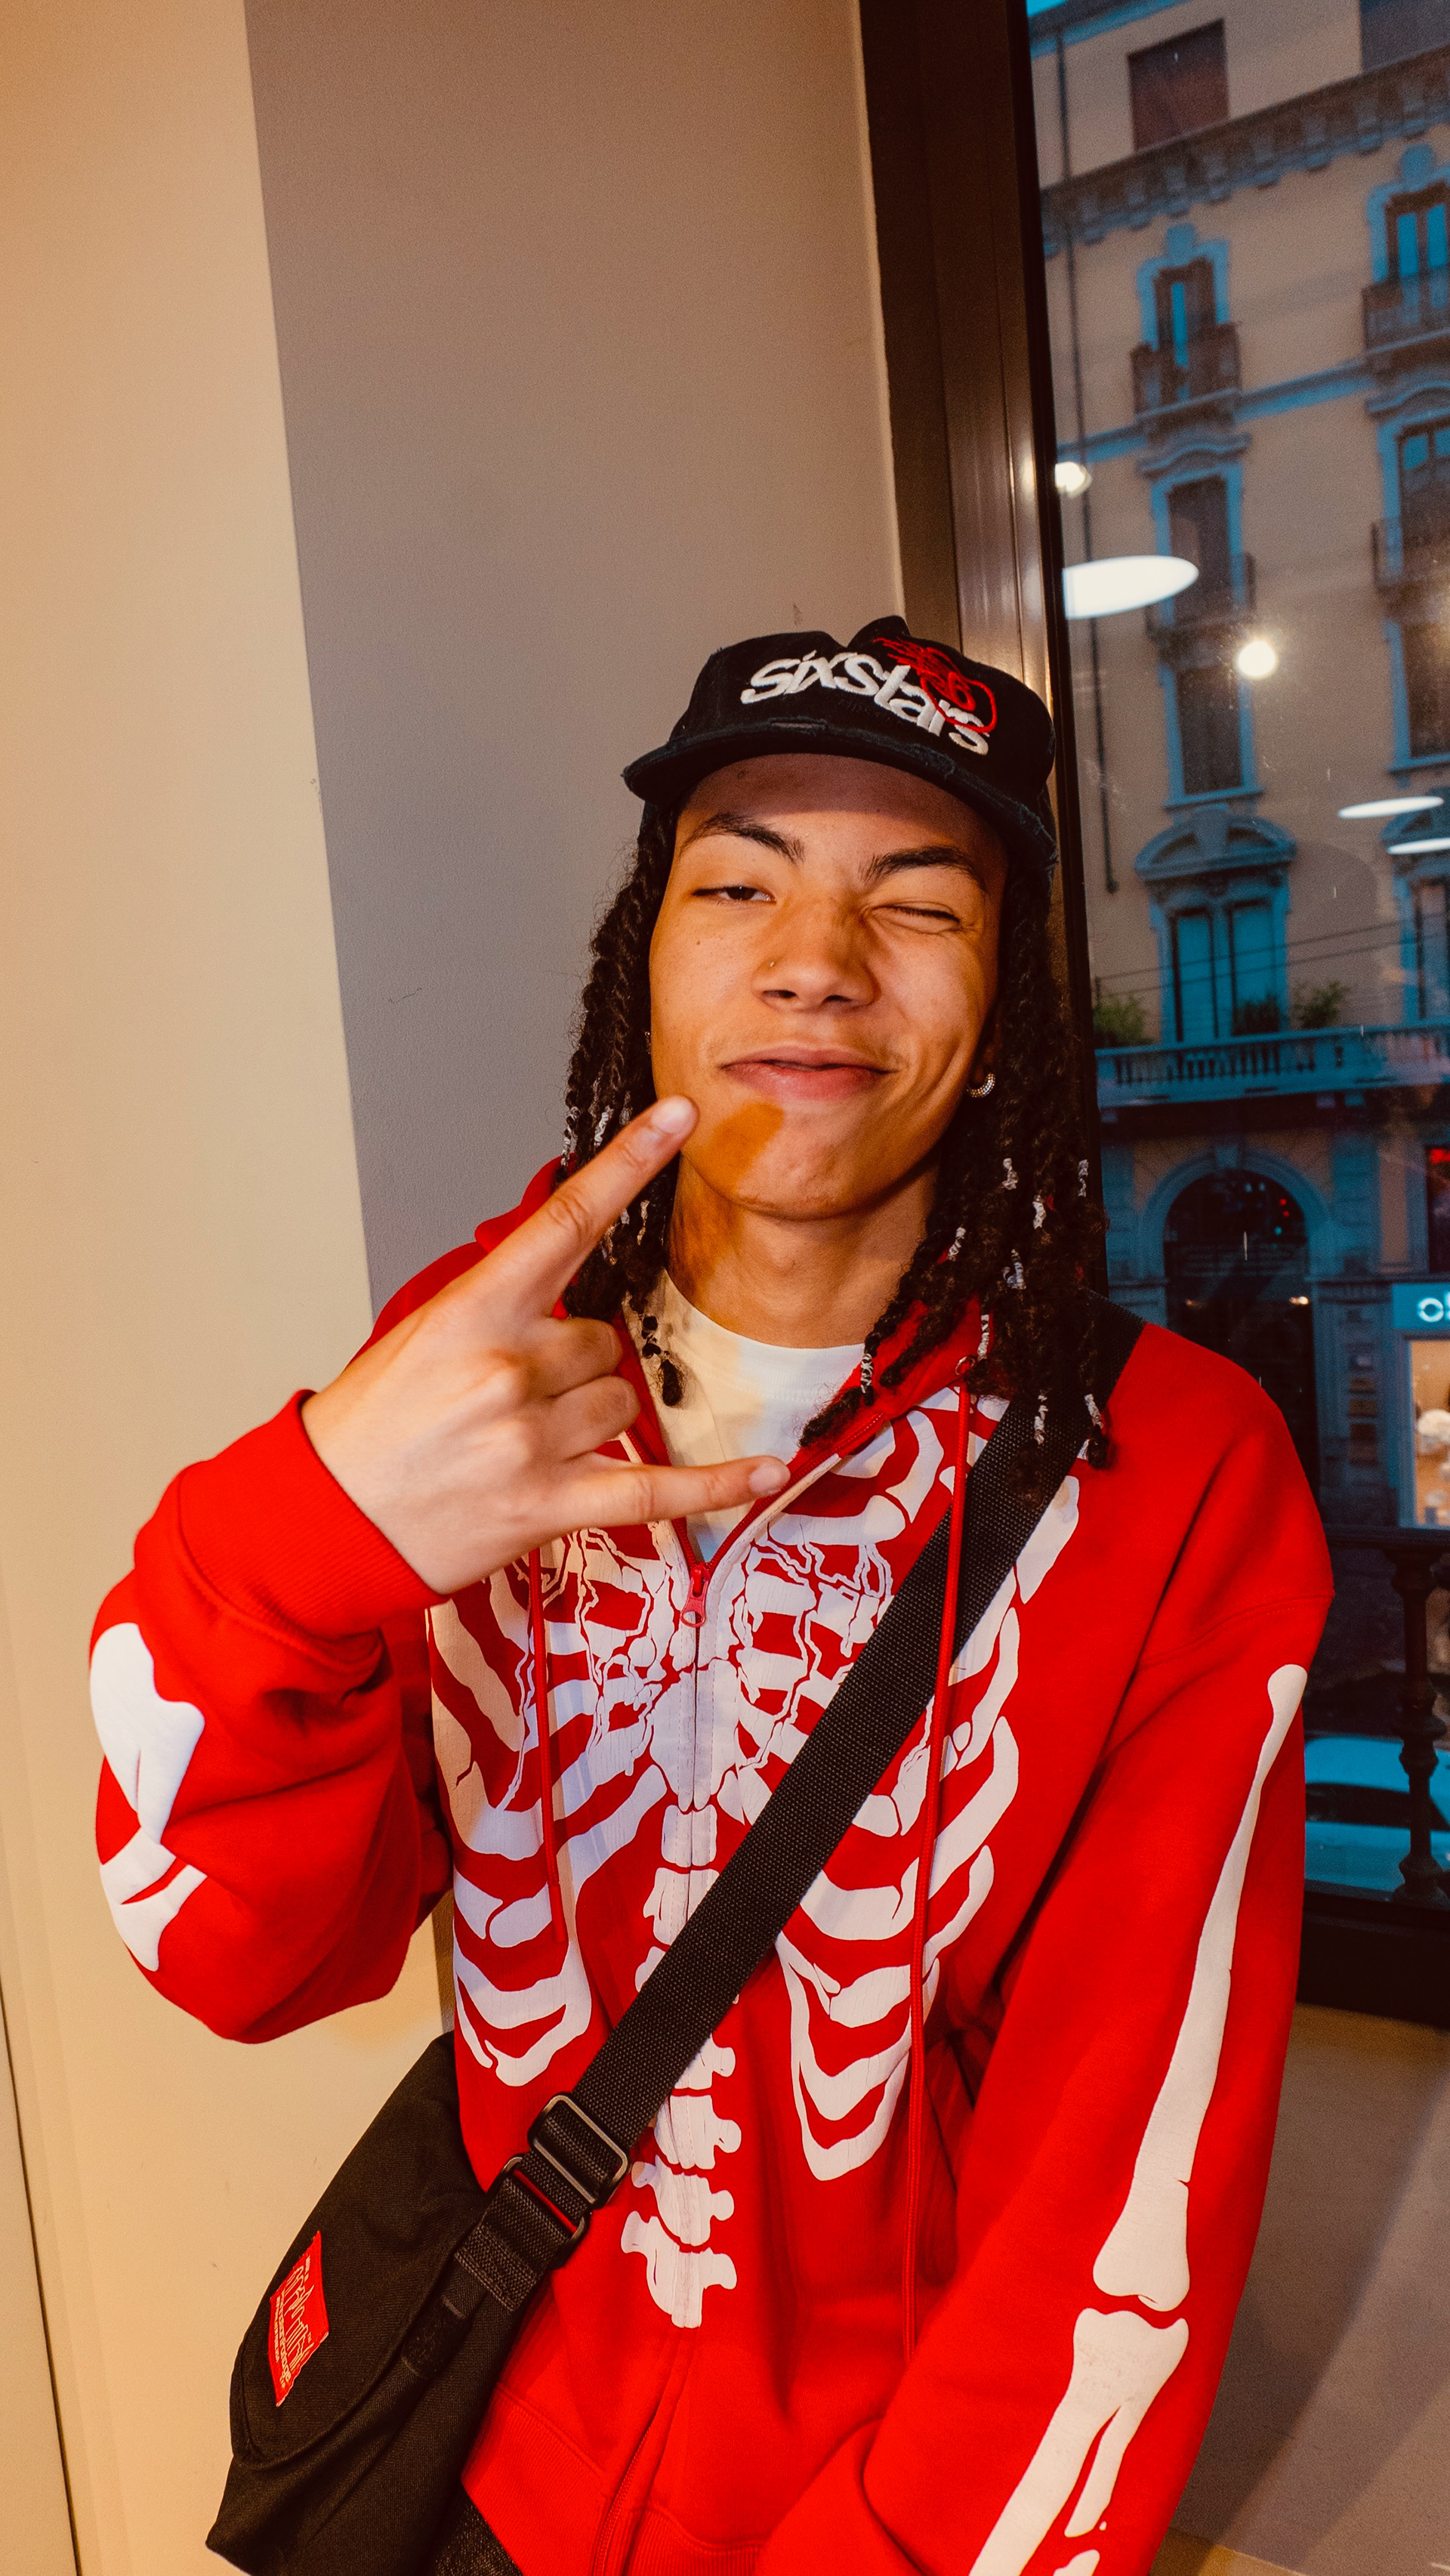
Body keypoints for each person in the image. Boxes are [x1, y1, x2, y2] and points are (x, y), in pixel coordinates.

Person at [91, 615, 1331, 2576]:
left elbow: (1117, 2181)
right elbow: (241, 1961)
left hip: (872, 2514)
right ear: (644, 954)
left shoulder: (1175, 1470)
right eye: (738, 882)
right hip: (476, 2455)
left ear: (1006, 1003)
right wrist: (301, 1531)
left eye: (918, 901)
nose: (816, 957)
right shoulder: (469, 1365)